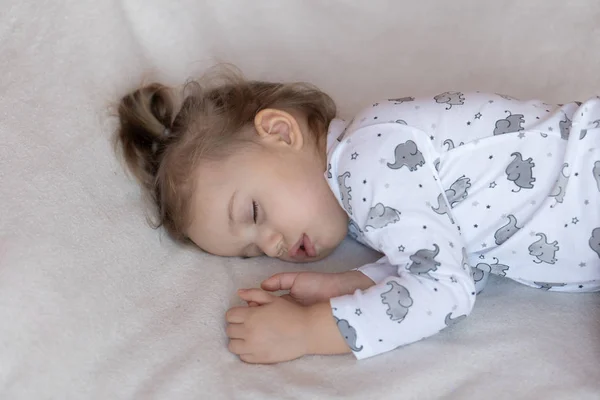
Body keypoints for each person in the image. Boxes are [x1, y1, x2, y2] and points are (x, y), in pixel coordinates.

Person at [114, 66, 600, 364]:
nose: (269, 245)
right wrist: (354, 282)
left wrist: (312, 330)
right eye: (248, 252)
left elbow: (444, 292)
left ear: (282, 132)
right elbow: (456, 251)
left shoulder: (368, 162)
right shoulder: (367, 178)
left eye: (255, 212)